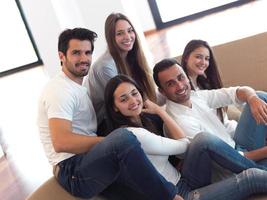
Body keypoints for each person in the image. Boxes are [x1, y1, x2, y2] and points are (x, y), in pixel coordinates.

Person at [37, 28, 186, 200]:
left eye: (87, 52)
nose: (84, 58)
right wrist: (111, 143)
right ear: (62, 56)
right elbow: (61, 142)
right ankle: (172, 197)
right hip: (73, 170)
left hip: (90, 160)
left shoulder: (78, 87)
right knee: (125, 137)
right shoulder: (59, 90)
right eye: (76, 53)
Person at [104, 74, 267, 199]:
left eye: (134, 93)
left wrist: (159, 112)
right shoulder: (132, 135)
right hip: (179, 194)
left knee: (203, 139)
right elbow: (183, 144)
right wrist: (162, 111)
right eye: (124, 99)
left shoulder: (146, 121)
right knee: (250, 177)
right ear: (115, 107)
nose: (133, 101)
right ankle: (260, 171)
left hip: (186, 179)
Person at [153, 58, 267, 165]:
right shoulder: (178, 121)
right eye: (170, 84)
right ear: (162, 91)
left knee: (258, 96)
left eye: (181, 77)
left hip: (237, 145)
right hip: (233, 166)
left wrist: (252, 98)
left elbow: (235, 92)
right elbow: (225, 161)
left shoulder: (195, 96)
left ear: (187, 77)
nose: (180, 86)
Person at [85, 12, 157, 135]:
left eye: (130, 31)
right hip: (106, 123)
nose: (128, 37)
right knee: (158, 119)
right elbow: (125, 102)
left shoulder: (130, 57)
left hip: (126, 111)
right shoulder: (105, 66)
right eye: (120, 33)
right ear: (111, 38)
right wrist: (160, 111)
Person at [180, 39, 239, 137]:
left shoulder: (205, 83)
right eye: (198, 57)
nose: (203, 62)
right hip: (222, 137)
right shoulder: (181, 89)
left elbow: (223, 118)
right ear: (186, 57)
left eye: (207, 59)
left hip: (230, 129)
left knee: (257, 97)